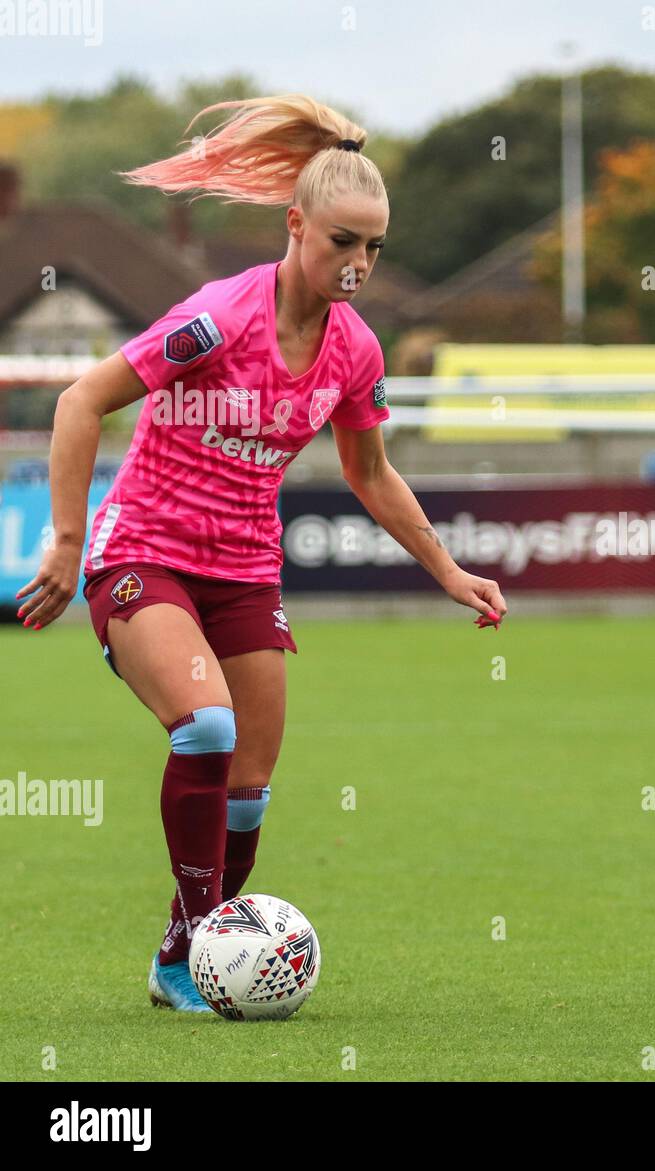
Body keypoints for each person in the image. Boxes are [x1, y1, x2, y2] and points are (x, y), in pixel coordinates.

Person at [15, 94, 507, 1014]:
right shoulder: (215, 319)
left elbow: (371, 470)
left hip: (244, 572)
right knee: (206, 727)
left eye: (374, 249)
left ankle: (177, 954)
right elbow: (81, 400)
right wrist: (67, 540)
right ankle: (209, 950)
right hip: (143, 554)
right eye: (342, 242)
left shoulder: (355, 351)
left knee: (249, 792)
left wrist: (446, 568)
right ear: (294, 225)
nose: (358, 265)